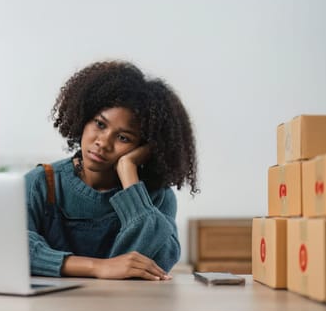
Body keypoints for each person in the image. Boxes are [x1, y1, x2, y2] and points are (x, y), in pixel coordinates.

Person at [25, 61, 199, 281]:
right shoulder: (41, 182)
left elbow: (158, 264)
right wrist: (97, 267)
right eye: (99, 124)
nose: (103, 143)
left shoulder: (157, 197)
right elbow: (12, 247)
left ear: (145, 148)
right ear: (83, 117)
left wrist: (129, 173)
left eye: (123, 138)